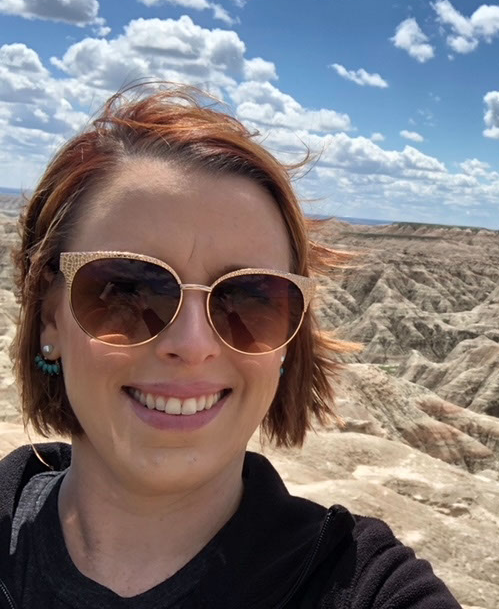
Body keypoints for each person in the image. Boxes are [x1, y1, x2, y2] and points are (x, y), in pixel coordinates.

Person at [0, 84, 462, 608]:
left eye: (249, 298)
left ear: (288, 344)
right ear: (48, 320)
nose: (193, 344)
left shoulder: (366, 589)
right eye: (128, 288)